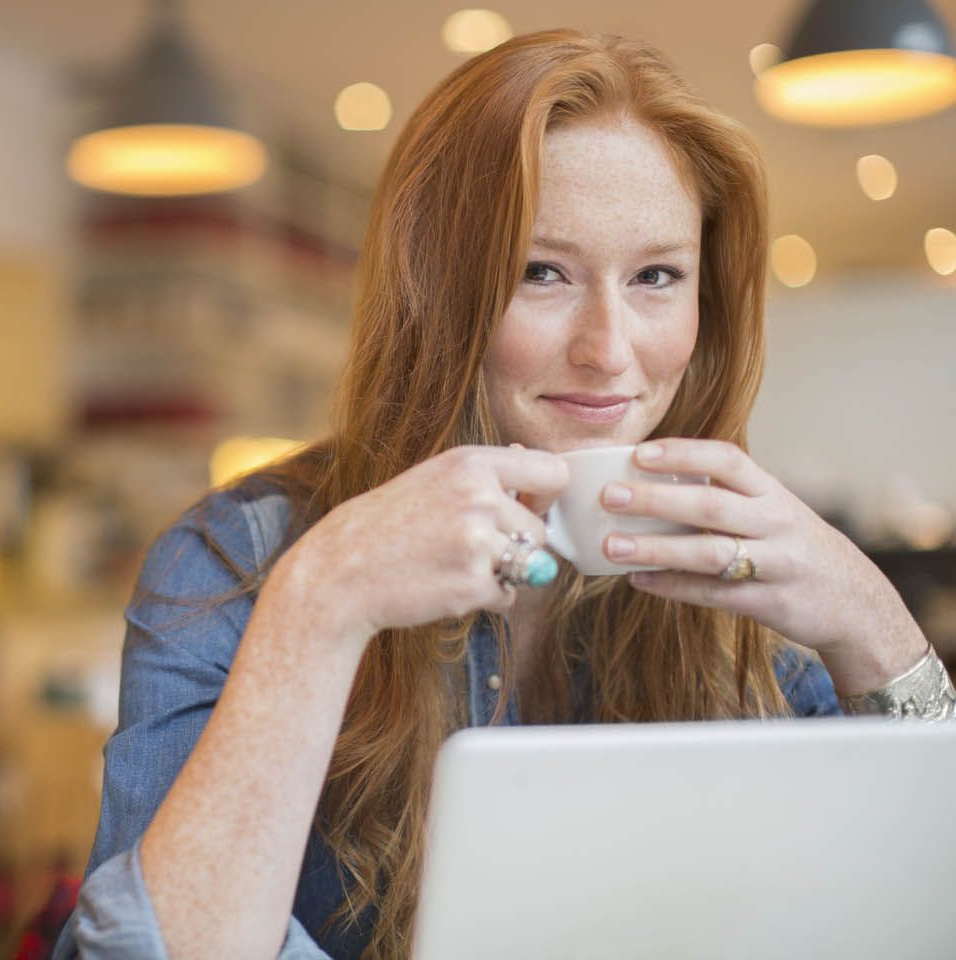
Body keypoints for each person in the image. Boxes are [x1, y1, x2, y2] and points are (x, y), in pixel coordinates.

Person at [54, 29, 956, 960]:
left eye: (656, 276)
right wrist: (321, 602)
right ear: (436, 291)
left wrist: (872, 622)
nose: (609, 350)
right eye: (542, 272)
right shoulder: (235, 559)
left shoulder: (755, 589)